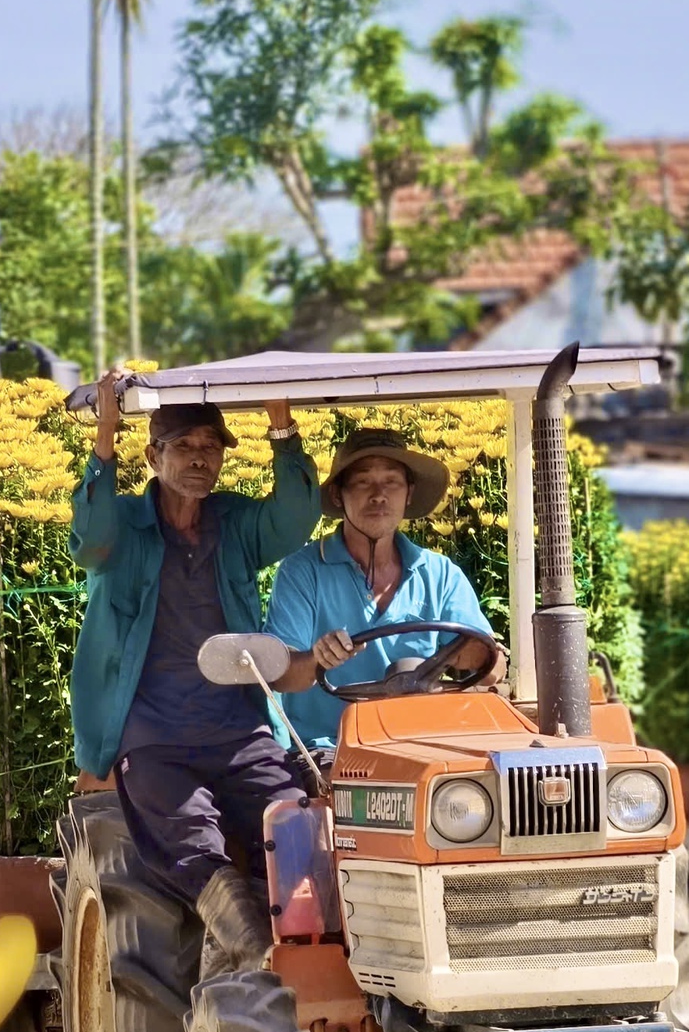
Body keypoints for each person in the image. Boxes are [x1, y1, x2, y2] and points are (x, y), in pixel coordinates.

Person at [69, 371, 321, 976]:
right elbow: (91, 538)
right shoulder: (126, 526)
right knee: (189, 840)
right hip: (153, 735)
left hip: (237, 727)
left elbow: (294, 519)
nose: (199, 460)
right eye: (183, 447)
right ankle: (257, 951)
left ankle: (306, 955)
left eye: (211, 448)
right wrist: (105, 434)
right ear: (152, 455)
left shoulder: (234, 523)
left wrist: (281, 423)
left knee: (292, 821)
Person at [264, 428, 503, 746]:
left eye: (391, 481)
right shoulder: (302, 571)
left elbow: (493, 669)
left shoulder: (440, 574)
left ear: (408, 493)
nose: (379, 495)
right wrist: (318, 658)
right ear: (338, 494)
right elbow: (281, 675)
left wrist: (471, 656)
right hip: (330, 751)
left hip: (422, 745)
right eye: (363, 481)